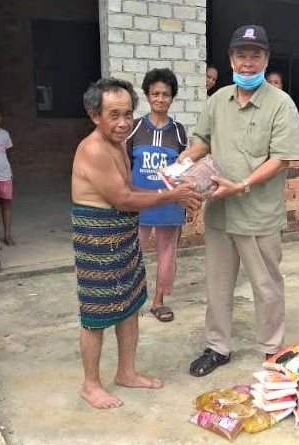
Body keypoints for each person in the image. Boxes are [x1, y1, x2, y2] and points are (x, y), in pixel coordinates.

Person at [179, 24, 299, 377]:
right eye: (241, 55)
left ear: (266, 59)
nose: (248, 62)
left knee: (266, 286)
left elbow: (281, 158)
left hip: (258, 215)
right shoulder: (218, 100)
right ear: (231, 58)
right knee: (217, 286)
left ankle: (272, 349)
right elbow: (202, 141)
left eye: (255, 56)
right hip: (220, 212)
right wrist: (181, 165)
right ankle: (217, 346)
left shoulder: (281, 105)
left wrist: (242, 185)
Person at [71, 78, 202, 408]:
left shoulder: (118, 144)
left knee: (130, 306)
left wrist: (175, 193)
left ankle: (126, 372)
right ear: (95, 115)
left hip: (124, 237)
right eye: (114, 115)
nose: (123, 123)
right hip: (98, 241)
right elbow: (123, 199)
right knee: (96, 315)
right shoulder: (94, 149)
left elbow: (131, 190)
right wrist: (172, 196)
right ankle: (90, 384)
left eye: (128, 114)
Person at [127, 68, 187, 323]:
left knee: (167, 252)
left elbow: (184, 169)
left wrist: (186, 198)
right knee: (132, 253)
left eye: (165, 94)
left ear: (172, 98)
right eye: (155, 94)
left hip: (169, 205)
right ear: (147, 96)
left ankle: (159, 301)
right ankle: (130, 300)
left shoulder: (179, 131)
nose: (160, 99)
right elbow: (124, 165)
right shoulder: (134, 128)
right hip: (138, 202)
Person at [0, 101, 16, 246]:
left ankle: (7, 234)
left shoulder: (5, 135)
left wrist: (10, 171)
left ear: (1, 118)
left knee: (6, 204)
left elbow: (9, 154)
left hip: (5, 175)